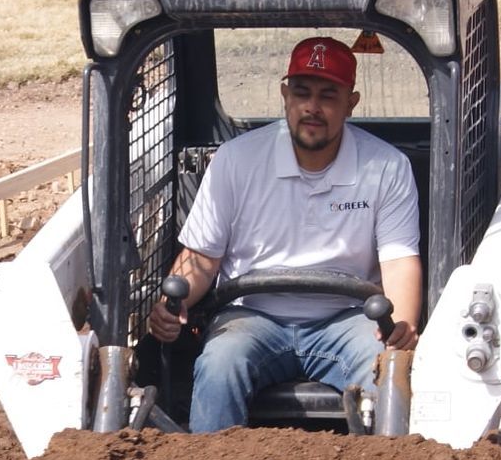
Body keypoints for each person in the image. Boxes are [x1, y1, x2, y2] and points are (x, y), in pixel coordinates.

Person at [147, 35, 423, 433]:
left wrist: (403, 327)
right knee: (220, 362)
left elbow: (398, 261)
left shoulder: (386, 167)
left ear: (352, 103)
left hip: (348, 319)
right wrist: (174, 303)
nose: (312, 107)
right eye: (302, 92)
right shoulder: (236, 161)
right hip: (252, 316)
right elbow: (202, 258)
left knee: (388, 370)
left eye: (329, 95)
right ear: (284, 95)